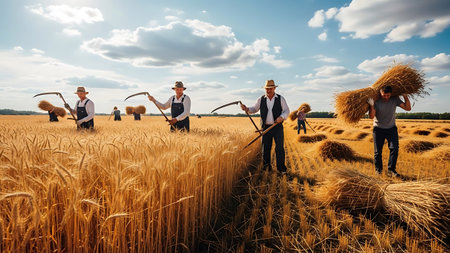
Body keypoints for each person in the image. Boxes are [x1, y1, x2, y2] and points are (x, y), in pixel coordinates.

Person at [241, 80, 290, 173]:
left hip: (277, 127)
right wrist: (247, 109)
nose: (268, 90)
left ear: (274, 88)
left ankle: (281, 169)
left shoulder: (280, 99)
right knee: (265, 148)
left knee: (279, 148)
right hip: (265, 127)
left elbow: (287, 111)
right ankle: (267, 168)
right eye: (267, 89)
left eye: (270, 88)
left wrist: (281, 117)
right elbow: (254, 109)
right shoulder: (261, 99)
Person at [368, 85, 411, 177]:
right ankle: (378, 171)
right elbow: (371, 116)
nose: (386, 97)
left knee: (394, 149)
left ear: (391, 94)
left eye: (388, 95)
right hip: (378, 129)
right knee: (377, 152)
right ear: (380, 92)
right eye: (384, 95)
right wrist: (371, 105)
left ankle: (391, 170)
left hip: (391, 128)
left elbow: (408, 108)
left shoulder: (394, 99)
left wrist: (405, 96)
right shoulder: (375, 100)